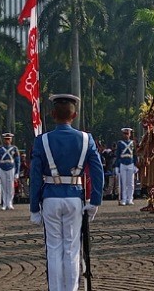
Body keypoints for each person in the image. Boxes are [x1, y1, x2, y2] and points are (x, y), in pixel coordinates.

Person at [29, 94, 104, 291]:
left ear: (53, 114)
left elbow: (35, 175)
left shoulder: (42, 140)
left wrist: (34, 207)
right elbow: (97, 172)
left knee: (53, 249)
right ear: (75, 115)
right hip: (74, 197)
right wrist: (95, 201)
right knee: (71, 249)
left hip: (50, 198)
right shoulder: (86, 139)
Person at [0, 132, 20, 210]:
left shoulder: (14, 148)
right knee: (3, 186)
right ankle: (4, 204)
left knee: (11, 186)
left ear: (11, 140)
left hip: (11, 168)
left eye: (9, 139)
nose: (7, 140)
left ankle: (10, 203)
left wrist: (17, 172)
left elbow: (17, 161)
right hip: (2, 168)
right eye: (6, 139)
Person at [115, 127, 137, 205]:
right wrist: (117, 166)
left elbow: (135, 155)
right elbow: (118, 155)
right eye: (125, 134)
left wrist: (136, 165)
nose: (126, 135)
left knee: (131, 183)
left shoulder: (133, 143)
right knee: (123, 183)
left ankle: (130, 199)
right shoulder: (120, 143)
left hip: (131, 163)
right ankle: (123, 199)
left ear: (130, 134)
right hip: (122, 164)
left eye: (127, 134)